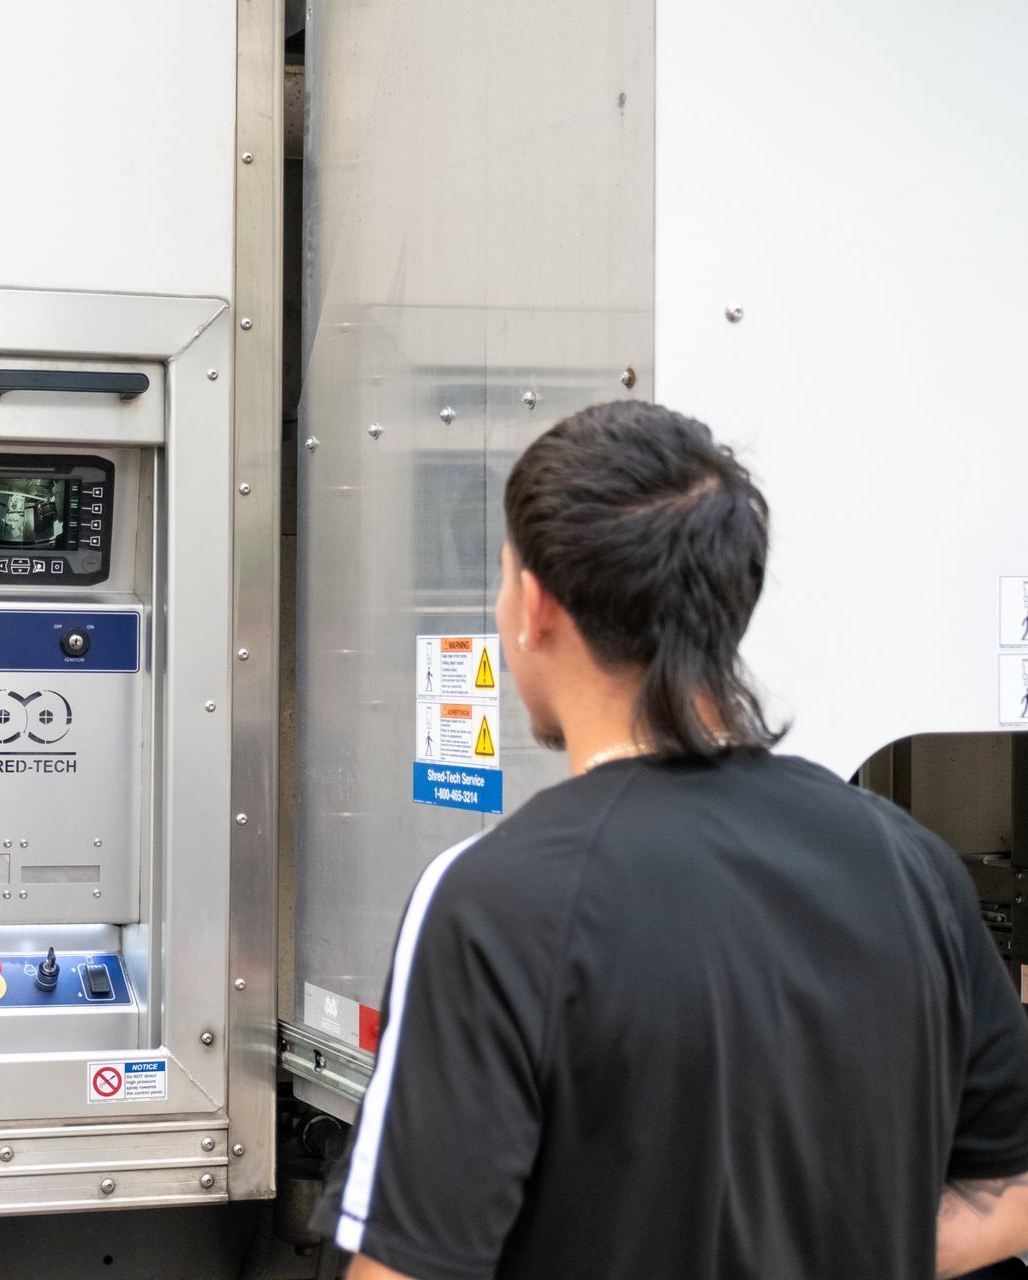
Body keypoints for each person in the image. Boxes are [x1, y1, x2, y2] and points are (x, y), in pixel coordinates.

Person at [324, 403, 1028, 1280]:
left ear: (536, 606)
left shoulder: (494, 898)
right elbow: (1008, 1198)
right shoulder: (911, 863)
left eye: (505, 577)